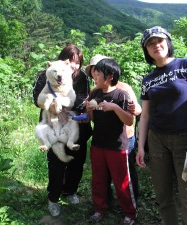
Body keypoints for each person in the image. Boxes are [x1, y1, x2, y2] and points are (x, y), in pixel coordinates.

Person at [136, 26, 187, 225]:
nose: (156, 45)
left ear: (168, 43)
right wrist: (141, 146)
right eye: (150, 44)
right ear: (146, 50)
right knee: (163, 195)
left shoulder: (186, 65)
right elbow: (146, 115)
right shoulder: (148, 80)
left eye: (160, 41)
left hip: (185, 139)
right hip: (157, 140)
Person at [33, 44, 92, 217]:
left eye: (78, 63)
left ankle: (70, 191)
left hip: (77, 126)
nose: (74, 66)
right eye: (72, 61)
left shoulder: (82, 78)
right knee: (57, 163)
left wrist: (66, 104)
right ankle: (53, 198)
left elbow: (82, 99)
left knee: (76, 161)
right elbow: (36, 98)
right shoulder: (46, 74)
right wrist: (52, 103)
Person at [86, 58, 137, 225]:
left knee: (122, 181)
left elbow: (129, 121)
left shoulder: (121, 94)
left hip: (117, 146)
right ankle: (100, 209)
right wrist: (89, 110)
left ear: (109, 76)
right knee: (98, 179)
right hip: (98, 144)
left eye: (98, 73)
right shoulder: (94, 93)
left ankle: (129, 213)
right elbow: (93, 119)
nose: (94, 75)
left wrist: (114, 108)